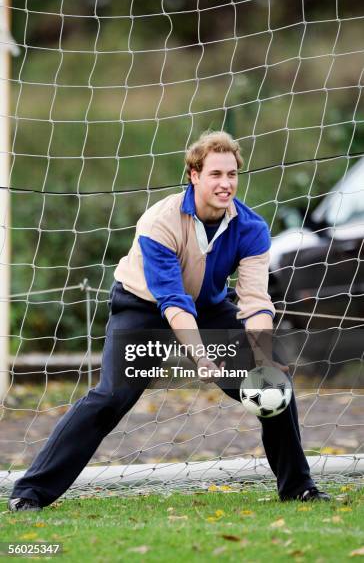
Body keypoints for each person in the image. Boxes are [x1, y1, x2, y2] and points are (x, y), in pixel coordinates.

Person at [8, 130, 329, 512]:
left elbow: (255, 300)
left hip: (209, 310)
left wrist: (261, 357)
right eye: (215, 174)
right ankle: (30, 493)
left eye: (232, 174)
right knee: (111, 398)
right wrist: (200, 356)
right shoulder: (159, 221)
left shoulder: (252, 228)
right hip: (143, 309)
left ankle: (297, 488)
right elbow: (172, 300)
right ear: (194, 174)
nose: (225, 184)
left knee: (275, 388)